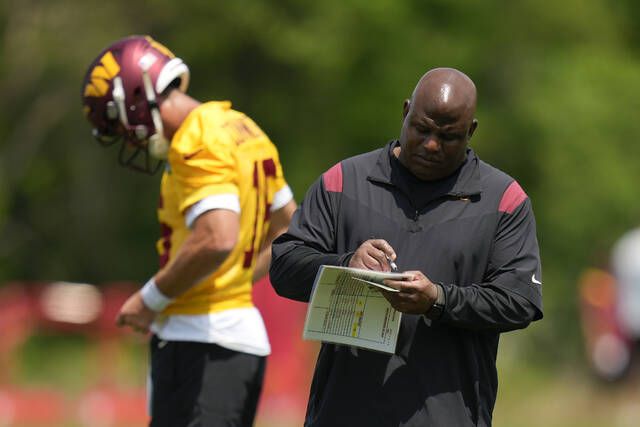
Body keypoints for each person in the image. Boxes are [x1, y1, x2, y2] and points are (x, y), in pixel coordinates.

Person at [270, 67, 543, 426]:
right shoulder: (343, 182)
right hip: (343, 413)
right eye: (422, 129)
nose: (431, 145)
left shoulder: (503, 200)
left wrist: (439, 301)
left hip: (447, 416)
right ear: (405, 112)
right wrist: (346, 262)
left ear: (471, 131)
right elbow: (284, 266)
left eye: (448, 136)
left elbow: (520, 301)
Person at [81, 35, 296, 427]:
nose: (127, 136)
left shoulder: (196, 137)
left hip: (202, 344)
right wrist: (236, 279)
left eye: (118, 123)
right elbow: (289, 229)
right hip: (237, 338)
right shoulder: (241, 126)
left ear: (132, 95)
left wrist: (150, 299)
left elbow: (217, 237)